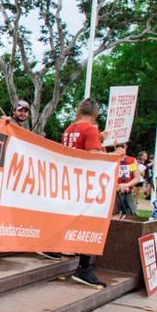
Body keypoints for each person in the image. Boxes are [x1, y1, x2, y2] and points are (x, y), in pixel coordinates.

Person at [61, 98, 108, 288]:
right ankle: (84, 266)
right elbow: (93, 154)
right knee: (90, 221)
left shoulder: (69, 129)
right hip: (85, 182)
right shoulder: (91, 129)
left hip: (70, 179)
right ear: (96, 114)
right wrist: (112, 156)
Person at [111, 142, 143, 219]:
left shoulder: (131, 161)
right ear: (114, 147)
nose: (120, 148)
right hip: (113, 193)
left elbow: (137, 177)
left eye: (122, 146)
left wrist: (127, 185)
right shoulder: (110, 158)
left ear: (126, 147)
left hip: (127, 192)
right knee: (111, 216)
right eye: (117, 146)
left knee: (131, 216)